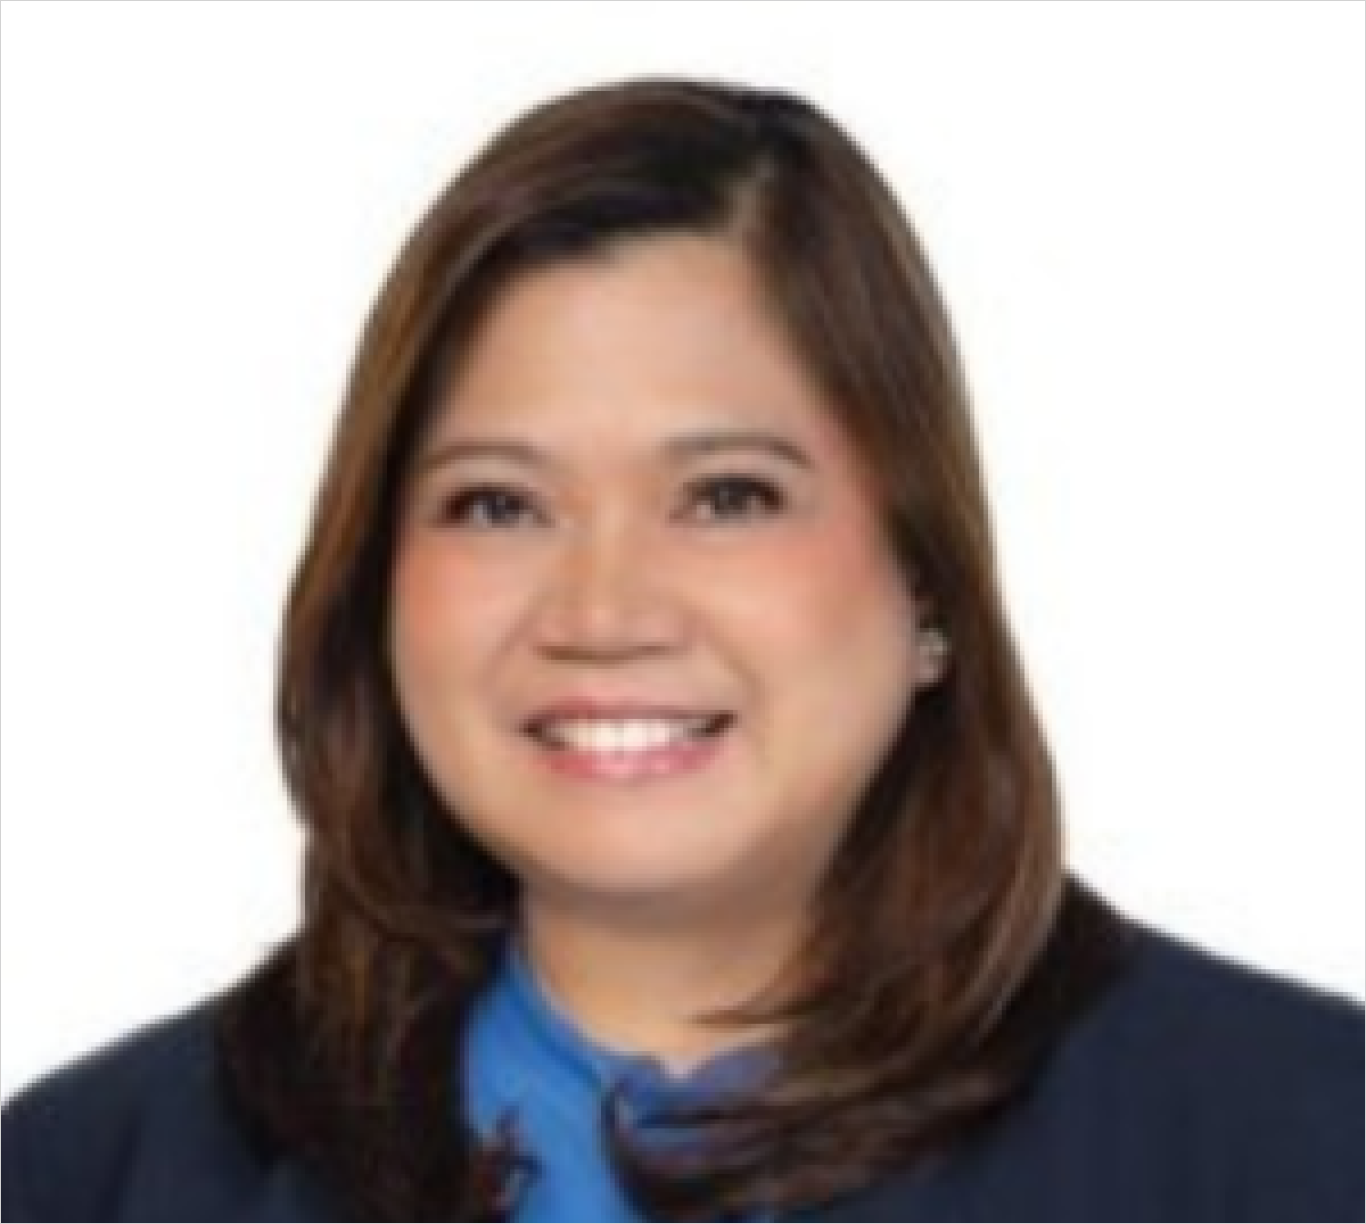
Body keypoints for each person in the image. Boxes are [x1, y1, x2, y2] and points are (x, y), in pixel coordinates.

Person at [2, 77, 1360, 1224]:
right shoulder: (83, 1175)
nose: (602, 613)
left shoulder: (1306, 1141)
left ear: (928, 581)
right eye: (499, 505)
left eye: (726, 497)